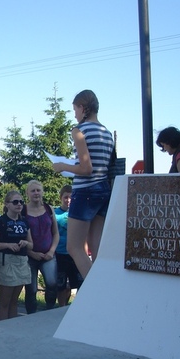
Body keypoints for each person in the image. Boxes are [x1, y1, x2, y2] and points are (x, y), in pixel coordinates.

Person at [52, 89, 114, 279]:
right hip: (104, 190)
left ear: (82, 107)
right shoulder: (106, 132)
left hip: (85, 191)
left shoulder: (79, 131)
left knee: (74, 247)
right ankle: (102, 284)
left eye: (75, 110)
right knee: (96, 248)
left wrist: (63, 166)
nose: (75, 115)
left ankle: (95, 288)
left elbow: (86, 168)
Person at [0, 191, 33, 321]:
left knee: (14, 301)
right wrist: (8, 245)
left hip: (22, 261)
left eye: (21, 202)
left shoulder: (25, 221)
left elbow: (31, 245)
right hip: (6, 261)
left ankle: (13, 327)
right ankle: (2, 327)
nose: (19, 204)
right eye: (15, 202)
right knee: (5, 301)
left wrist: (26, 243)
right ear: (7, 204)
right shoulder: (0, 222)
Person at [22, 180, 59, 313]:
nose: (36, 193)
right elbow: (19, 236)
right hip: (30, 256)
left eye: (38, 190)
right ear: (27, 193)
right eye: (33, 191)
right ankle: (31, 315)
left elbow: (56, 233)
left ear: (42, 192)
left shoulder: (49, 209)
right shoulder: (23, 211)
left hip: (48, 255)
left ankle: (49, 310)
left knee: (52, 283)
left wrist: (51, 251)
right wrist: (31, 253)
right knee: (31, 289)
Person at [54, 185, 83, 306]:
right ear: (61, 198)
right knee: (61, 284)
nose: (68, 200)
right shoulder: (55, 213)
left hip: (75, 253)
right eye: (66, 197)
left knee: (79, 282)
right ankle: (61, 307)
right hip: (60, 253)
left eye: (71, 197)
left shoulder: (79, 213)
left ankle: (78, 306)